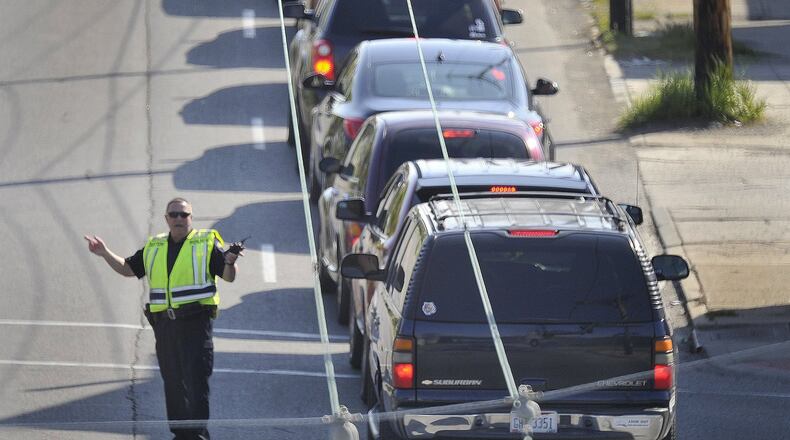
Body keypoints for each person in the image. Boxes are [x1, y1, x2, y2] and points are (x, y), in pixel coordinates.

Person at [84, 197, 241, 440]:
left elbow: (228, 275)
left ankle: (198, 434)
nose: (179, 219)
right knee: (173, 382)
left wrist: (230, 261)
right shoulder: (154, 245)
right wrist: (104, 253)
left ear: (191, 217)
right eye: (174, 214)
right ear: (166, 219)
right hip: (165, 326)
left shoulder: (205, 243)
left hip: (195, 324)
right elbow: (128, 268)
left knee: (196, 381)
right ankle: (180, 434)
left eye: (184, 214)